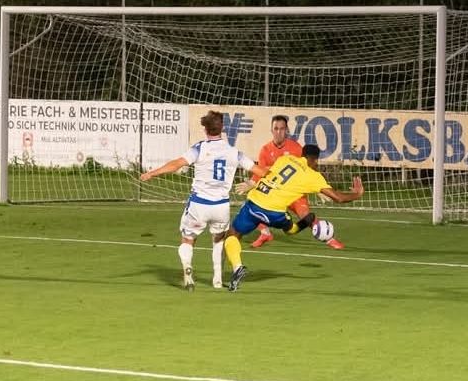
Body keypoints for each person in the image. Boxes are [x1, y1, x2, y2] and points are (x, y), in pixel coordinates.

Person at [140, 110, 268, 290]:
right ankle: (216, 280)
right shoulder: (234, 152)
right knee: (219, 240)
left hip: (199, 204)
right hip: (221, 206)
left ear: (206, 130)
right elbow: (260, 172)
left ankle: (188, 272)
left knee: (188, 240)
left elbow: (177, 163)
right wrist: (256, 184)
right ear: (222, 128)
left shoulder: (200, 148)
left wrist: (152, 173)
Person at [224, 144, 365, 292]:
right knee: (290, 229)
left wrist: (252, 184)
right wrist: (357, 194)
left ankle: (237, 267)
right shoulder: (313, 176)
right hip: (275, 211)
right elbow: (338, 198)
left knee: (233, 234)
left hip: (255, 202)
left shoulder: (285, 159)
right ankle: (305, 222)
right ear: (315, 160)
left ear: (302, 154)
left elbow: (268, 173)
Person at [241, 115, 345, 250]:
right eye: (276, 129)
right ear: (271, 130)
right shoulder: (265, 150)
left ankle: (329, 239)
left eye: (282, 129)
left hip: (294, 192)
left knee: (305, 215)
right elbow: (260, 172)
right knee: (254, 203)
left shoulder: (296, 148)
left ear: (287, 130)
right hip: (274, 192)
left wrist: (318, 189)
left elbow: (309, 169)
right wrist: (252, 183)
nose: (279, 132)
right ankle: (265, 233)